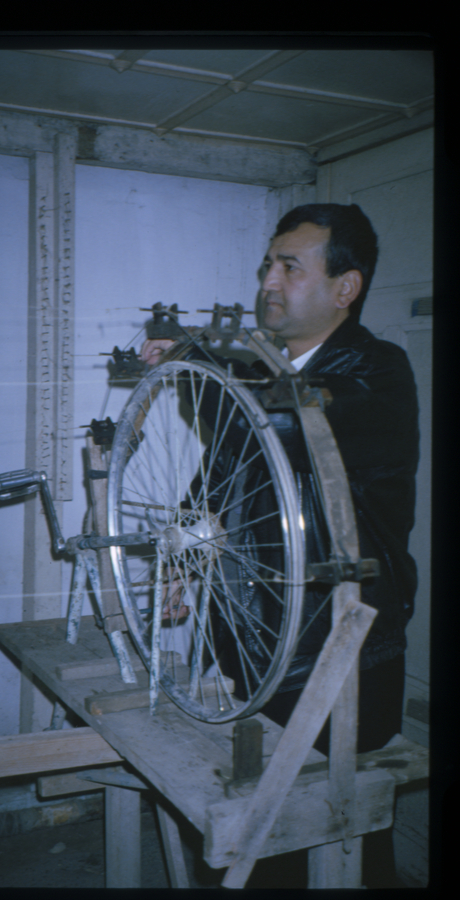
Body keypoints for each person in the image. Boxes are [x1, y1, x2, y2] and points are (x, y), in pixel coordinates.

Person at [141, 204, 420, 761]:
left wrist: (198, 363)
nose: (267, 282)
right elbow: (223, 472)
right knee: (259, 818)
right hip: (255, 638)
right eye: (268, 264)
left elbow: (281, 427)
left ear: (347, 288)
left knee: (340, 822)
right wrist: (181, 554)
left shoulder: (378, 372)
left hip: (341, 649)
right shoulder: (261, 374)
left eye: (290, 268)